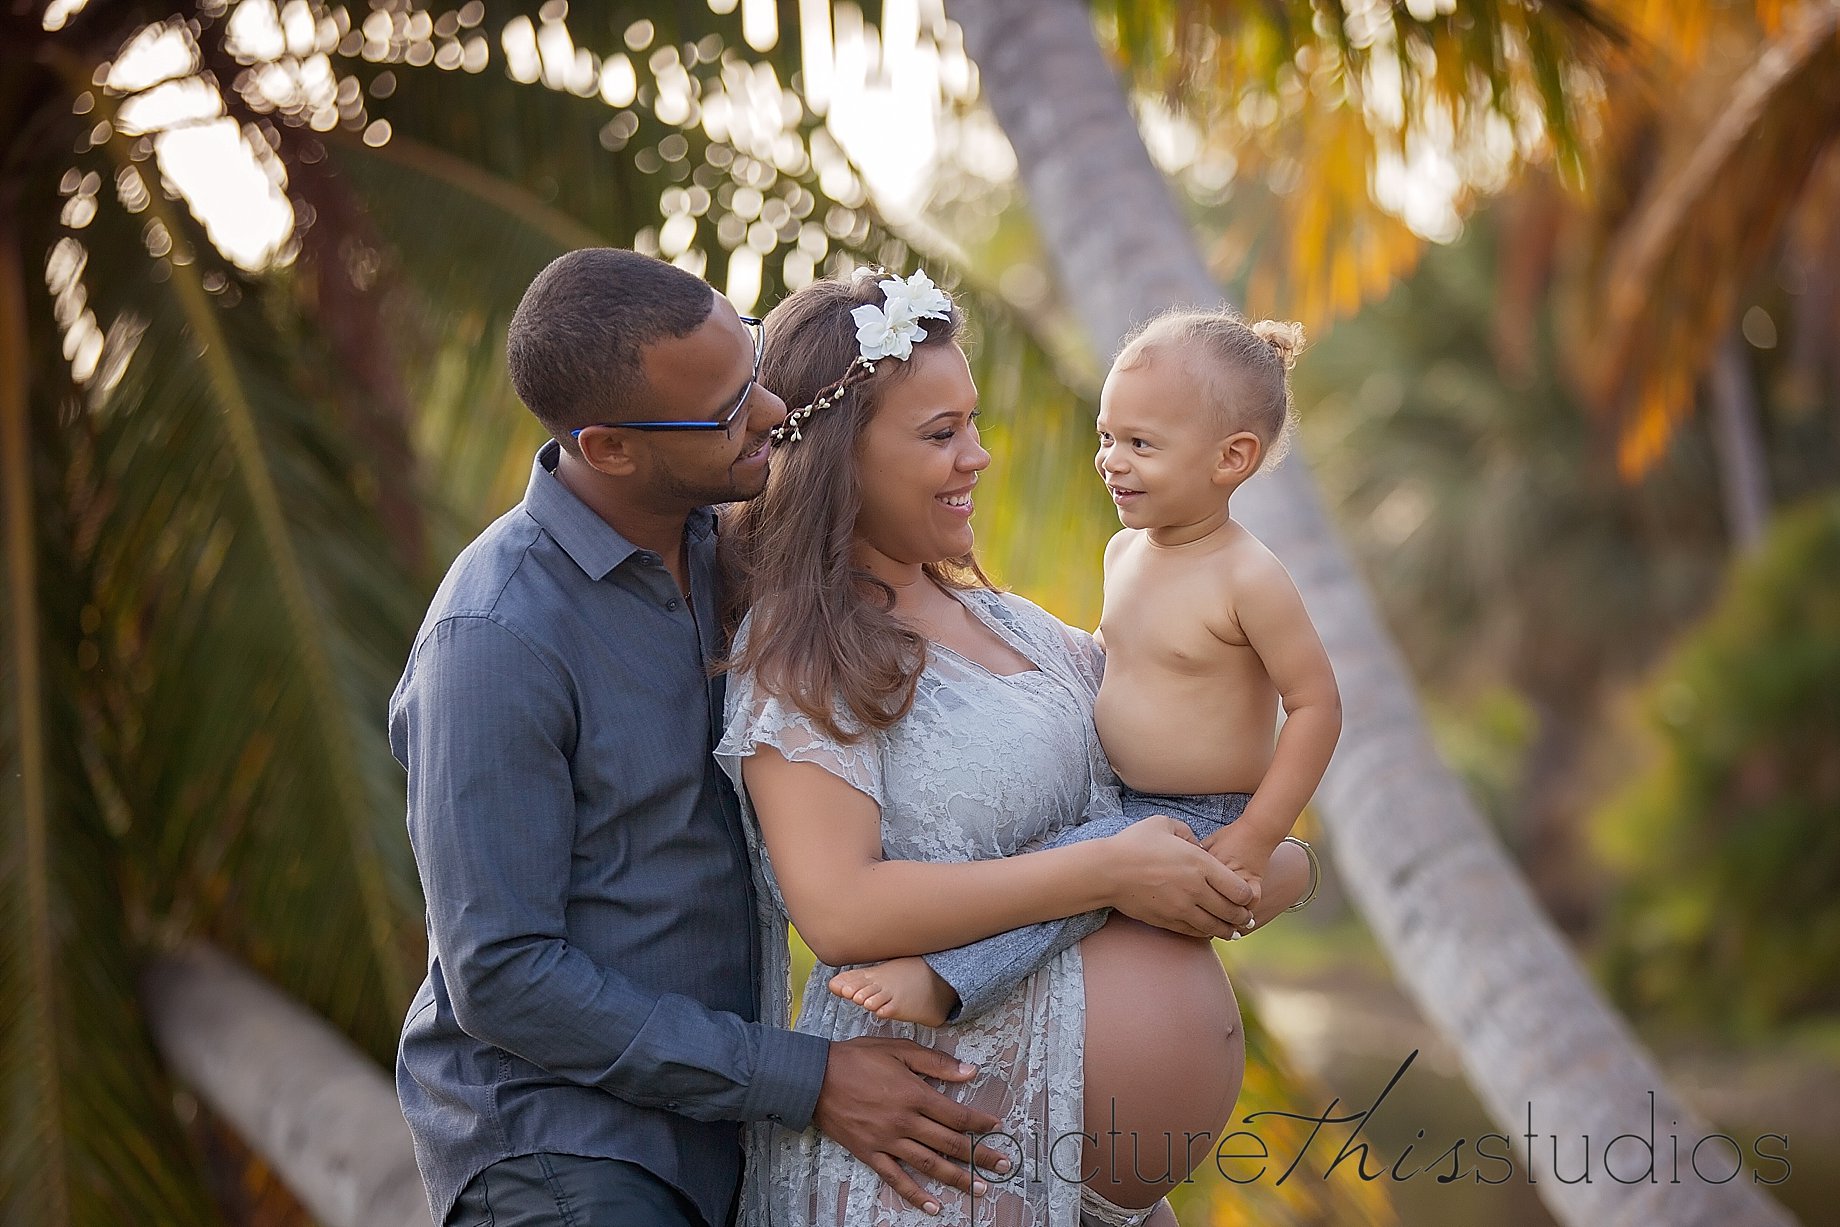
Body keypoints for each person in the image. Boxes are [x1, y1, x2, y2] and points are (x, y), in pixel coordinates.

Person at [389, 249, 1062, 1227]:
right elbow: (502, 976)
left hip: (726, 1139)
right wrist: (808, 1077)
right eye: (720, 411)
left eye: (751, 366)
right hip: (564, 1158)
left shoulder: (738, 551)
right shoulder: (495, 637)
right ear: (609, 447)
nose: (764, 414)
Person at [716, 271, 1285, 1227]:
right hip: (936, 1171)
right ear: (837, 458)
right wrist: (1111, 869)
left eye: (973, 423)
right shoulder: (802, 654)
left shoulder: (1017, 626)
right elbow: (842, 910)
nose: (977, 456)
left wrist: (1259, 855)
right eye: (940, 434)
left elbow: (1173, 805)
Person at [829, 308, 1338, 1041]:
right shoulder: (1124, 553)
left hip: (1206, 810)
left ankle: (945, 982)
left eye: (1141, 444)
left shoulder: (1248, 576)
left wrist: (1261, 834)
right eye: (1107, 437)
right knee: (1058, 874)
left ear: (1230, 459)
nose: (1111, 460)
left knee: (1067, 879)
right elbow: (1115, 658)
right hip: (1124, 799)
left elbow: (1318, 705)